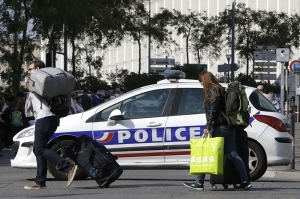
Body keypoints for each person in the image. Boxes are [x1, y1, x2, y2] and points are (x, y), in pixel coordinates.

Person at [183, 71, 252, 191]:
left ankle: (199, 182)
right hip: (230, 128)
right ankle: (245, 181)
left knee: (205, 151)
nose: (201, 85)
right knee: (233, 154)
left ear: (204, 80)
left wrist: (208, 127)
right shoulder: (222, 89)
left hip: (219, 127)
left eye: (201, 82)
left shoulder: (212, 91)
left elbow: (213, 110)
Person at [24, 60, 78, 190]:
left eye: (29, 69)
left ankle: (68, 167)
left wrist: (28, 80)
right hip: (51, 118)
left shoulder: (39, 82)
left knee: (39, 149)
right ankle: (40, 181)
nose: (28, 71)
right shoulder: (46, 83)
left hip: (45, 119)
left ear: (37, 69)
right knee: (40, 150)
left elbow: (30, 88)